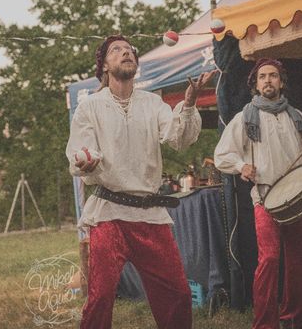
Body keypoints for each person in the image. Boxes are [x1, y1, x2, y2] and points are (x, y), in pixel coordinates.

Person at [66, 35, 215, 329]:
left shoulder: (152, 103)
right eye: (117, 50)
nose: (126, 53)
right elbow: (80, 150)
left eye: (129, 50)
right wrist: (87, 159)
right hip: (109, 214)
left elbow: (178, 137)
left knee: (177, 294)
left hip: (150, 216)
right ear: (105, 66)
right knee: (100, 296)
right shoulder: (90, 107)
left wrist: (188, 103)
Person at [214, 59, 302, 329]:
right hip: (265, 199)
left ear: (281, 82)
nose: (268, 81)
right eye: (262, 76)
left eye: (273, 76)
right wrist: (242, 166)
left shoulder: (297, 117)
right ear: (255, 84)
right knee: (270, 259)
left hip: (299, 201)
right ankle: (265, 324)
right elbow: (221, 155)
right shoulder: (245, 117)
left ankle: (292, 319)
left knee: (301, 261)